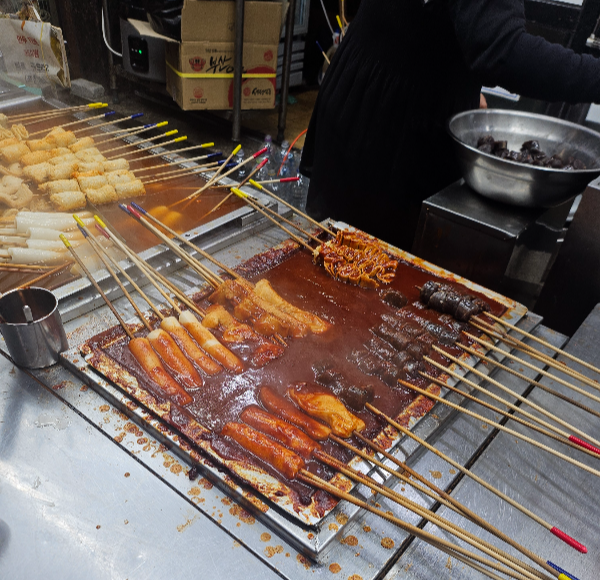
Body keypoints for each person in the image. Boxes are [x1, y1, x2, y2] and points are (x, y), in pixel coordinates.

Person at [299, 0, 600, 251]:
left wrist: (455, 80)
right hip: (387, 132)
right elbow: (502, 52)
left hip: (366, 90)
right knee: (355, 270)